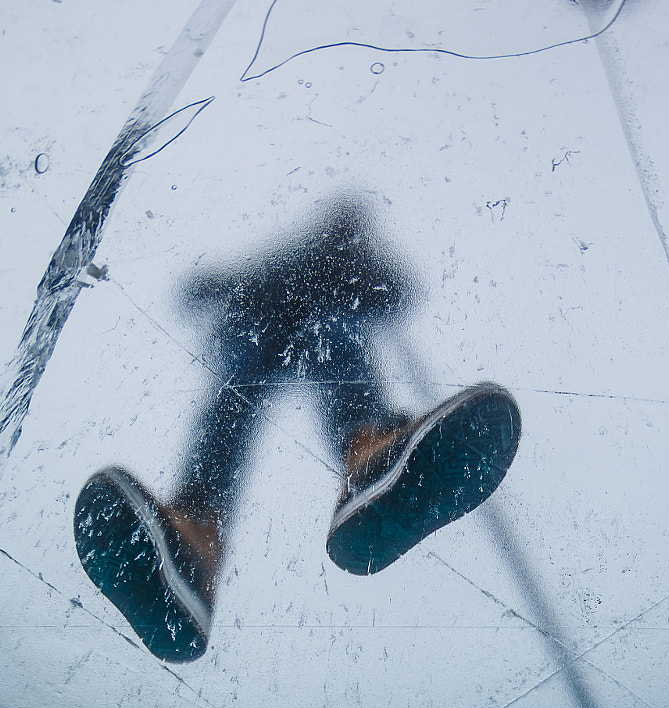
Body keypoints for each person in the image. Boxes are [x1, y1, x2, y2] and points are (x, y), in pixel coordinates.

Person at [72, 202, 521, 664]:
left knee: (317, 344)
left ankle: (211, 529)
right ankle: (198, 539)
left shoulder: (347, 265)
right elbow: (233, 283)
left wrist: (362, 278)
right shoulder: (295, 258)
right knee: (255, 381)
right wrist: (214, 289)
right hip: (256, 324)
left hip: (277, 325)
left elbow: (396, 291)